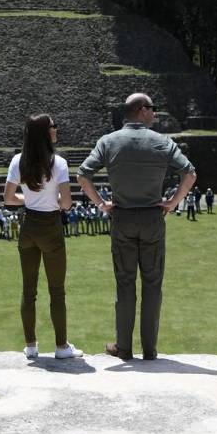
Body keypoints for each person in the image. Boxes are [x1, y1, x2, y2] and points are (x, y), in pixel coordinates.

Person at [78, 93, 196, 361]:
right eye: (152, 109)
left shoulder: (108, 142)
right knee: (153, 284)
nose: (155, 113)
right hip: (153, 218)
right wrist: (173, 203)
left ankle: (124, 347)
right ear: (142, 110)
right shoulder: (162, 142)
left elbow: (83, 175)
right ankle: (150, 349)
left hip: (122, 217)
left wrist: (101, 204)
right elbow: (190, 174)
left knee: (125, 283)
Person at [4, 113, 83, 360]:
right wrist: (52, 200)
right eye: (53, 127)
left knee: (29, 290)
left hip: (28, 225)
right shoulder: (58, 163)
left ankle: (31, 345)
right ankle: (61, 346)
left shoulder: (18, 161)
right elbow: (67, 203)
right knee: (56, 290)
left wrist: (28, 199)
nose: (56, 130)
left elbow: (8, 198)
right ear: (45, 133)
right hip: (50, 226)